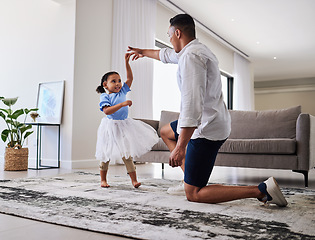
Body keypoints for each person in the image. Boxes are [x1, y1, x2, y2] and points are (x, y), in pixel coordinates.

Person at [128, 14, 287, 206]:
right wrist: (142, 52)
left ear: (177, 32)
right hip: (211, 120)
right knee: (165, 132)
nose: (168, 39)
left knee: (194, 194)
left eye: (169, 35)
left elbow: (191, 105)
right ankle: (189, 178)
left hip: (206, 128)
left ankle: (260, 190)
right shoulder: (194, 50)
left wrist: (180, 148)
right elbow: (166, 55)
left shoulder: (191, 57)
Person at [95, 53, 159, 188]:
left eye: (119, 80)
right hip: (110, 127)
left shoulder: (122, 91)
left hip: (124, 125)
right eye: (114, 81)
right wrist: (122, 105)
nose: (118, 83)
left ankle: (134, 180)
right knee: (105, 154)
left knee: (126, 153)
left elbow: (130, 77)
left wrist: (126, 62)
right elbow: (107, 111)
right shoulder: (104, 97)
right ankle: (103, 180)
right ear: (105, 84)